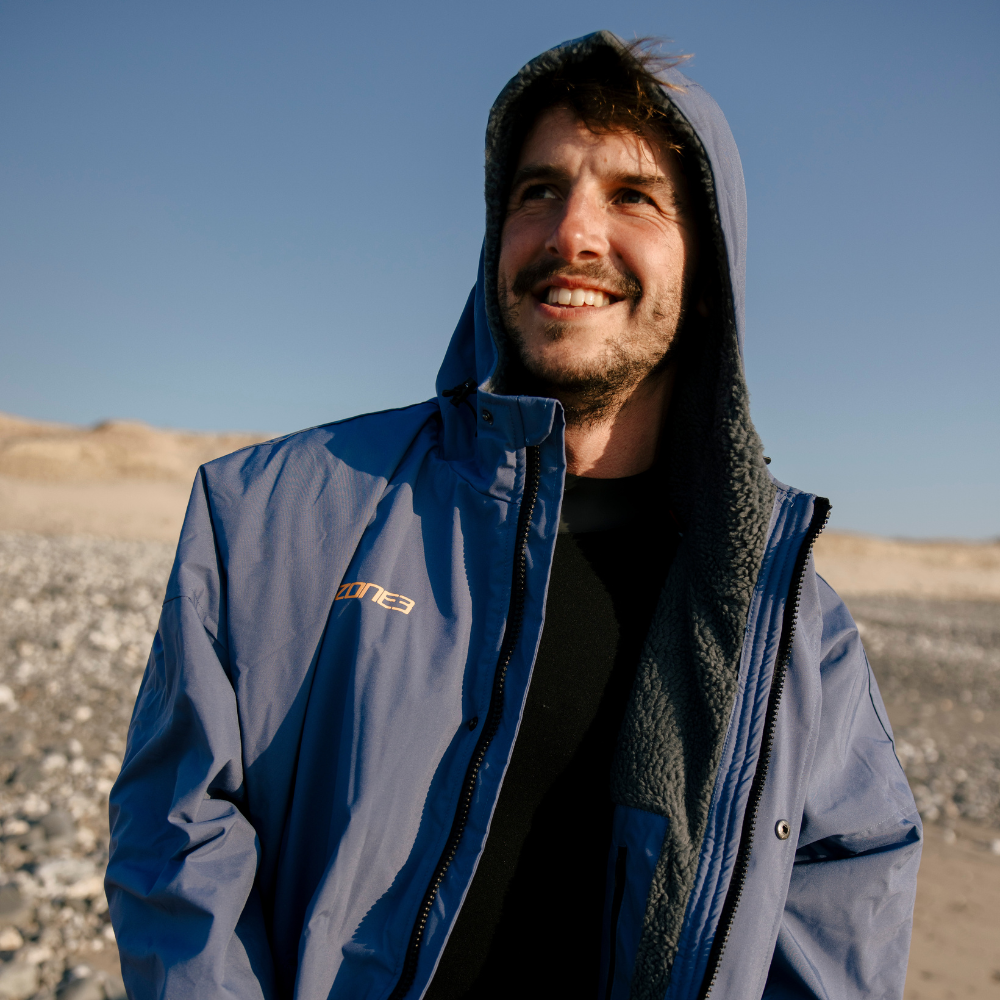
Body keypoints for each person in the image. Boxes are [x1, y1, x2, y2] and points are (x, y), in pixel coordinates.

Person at [107, 31, 921, 1000]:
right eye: (537, 190)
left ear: (706, 283)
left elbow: (843, 895)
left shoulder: (787, 622)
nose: (572, 231)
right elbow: (175, 842)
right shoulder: (273, 515)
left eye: (631, 196)